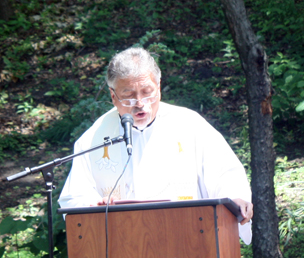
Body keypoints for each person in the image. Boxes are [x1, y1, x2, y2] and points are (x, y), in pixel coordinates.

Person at [58, 47, 253, 243]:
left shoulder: (190, 125)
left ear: (158, 87)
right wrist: (92, 206)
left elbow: (224, 173)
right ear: (112, 95)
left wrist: (235, 197)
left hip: (189, 243)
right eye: (129, 95)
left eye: (147, 92)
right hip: (123, 248)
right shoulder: (94, 139)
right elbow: (74, 196)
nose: (140, 103)